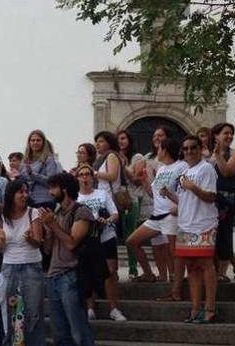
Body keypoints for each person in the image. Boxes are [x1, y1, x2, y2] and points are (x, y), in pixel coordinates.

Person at [40, 172, 99, 346]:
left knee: (78, 330)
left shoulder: (81, 211)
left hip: (70, 275)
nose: (50, 193)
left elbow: (73, 242)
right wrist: (47, 230)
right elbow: (48, 249)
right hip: (54, 275)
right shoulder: (56, 213)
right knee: (60, 332)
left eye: (53, 188)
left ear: (64, 189)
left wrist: (53, 226)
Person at [0, 179, 46, 346]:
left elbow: (39, 242)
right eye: (20, 192)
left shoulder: (34, 213)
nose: (24, 195)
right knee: (8, 310)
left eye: (26, 192)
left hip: (31, 265)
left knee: (33, 310)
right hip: (9, 265)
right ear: (11, 194)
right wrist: (0, 242)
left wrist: (31, 239)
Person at [167, 135, 219, 323]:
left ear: (200, 148)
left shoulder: (206, 168)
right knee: (191, 267)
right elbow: (185, 200)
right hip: (185, 224)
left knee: (206, 265)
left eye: (193, 147)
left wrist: (192, 187)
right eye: (186, 148)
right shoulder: (185, 171)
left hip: (204, 224)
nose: (189, 151)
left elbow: (211, 197)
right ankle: (195, 309)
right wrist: (169, 195)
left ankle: (210, 308)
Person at [127, 138, 186, 289]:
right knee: (132, 241)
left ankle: (176, 287)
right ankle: (148, 273)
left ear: (165, 150)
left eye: (159, 148)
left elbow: (185, 192)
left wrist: (179, 207)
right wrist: (145, 181)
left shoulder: (181, 166)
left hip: (171, 215)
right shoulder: (161, 169)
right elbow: (154, 195)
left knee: (173, 253)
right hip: (156, 216)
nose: (156, 151)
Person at [75, 164, 127, 321]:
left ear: (93, 177)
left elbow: (115, 213)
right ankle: (90, 307)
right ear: (77, 178)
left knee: (110, 272)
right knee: (88, 272)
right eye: (81, 174)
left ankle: (114, 308)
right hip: (88, 240)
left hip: (106, 235)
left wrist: (107, 220)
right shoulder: (76, 198)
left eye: (88, 174)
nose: (85, 177)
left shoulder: (102, 194)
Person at [209, 123, 235, 283]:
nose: (229, 136)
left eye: (231, 133)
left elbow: (227, 171)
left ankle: (222, 273)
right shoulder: (210, 155)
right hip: (213, 199)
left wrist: (217, 155)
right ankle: (234, 263)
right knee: (214, 235)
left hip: (229, 199)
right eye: (225, 133)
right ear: (216, 136)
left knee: (224, 232)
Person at [118, 130, 149, 279]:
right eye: (118, 139)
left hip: (131, 199)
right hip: (116, 198)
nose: (121, 141)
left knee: (130, 234)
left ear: (129, 140)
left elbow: (137, 180)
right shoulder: (113, 157)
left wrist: (123, 166)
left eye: (123, 138)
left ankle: (133, 269)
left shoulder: (137, 158)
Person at [19, 130, 61, 210]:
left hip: (44, 201)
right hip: (29, 200)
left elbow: (51, 182)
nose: (35, 142)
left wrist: (33, 175)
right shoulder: (25, 160)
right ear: (29, 143)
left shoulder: (48, 159)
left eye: (38, 140)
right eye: (33, 140)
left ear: (43, 143)